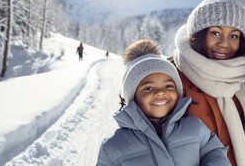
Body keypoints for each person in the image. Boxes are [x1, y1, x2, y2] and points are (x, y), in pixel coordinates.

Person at [171, 0, 245, 166]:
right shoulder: (171, 77)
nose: (224, 44)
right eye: (215, 33)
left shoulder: (241, 79)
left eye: (234, 36)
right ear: (198, 34)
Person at [96, 39, 230, 166]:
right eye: (148, 88)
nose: (160, 92)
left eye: (168, 86)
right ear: (132, 97)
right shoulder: (114, 146)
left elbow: (214, 151)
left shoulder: (194, 126)